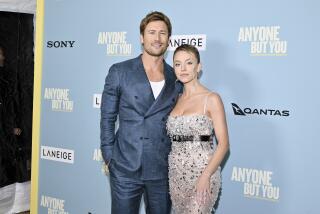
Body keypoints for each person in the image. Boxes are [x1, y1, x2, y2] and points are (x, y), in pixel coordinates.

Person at [100, 11, 181, 214]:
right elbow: (107, 118)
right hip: (125, 166)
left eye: (162, 33)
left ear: (168, 40)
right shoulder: (120, 71)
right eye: (152, 32)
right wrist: (109, 156)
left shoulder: (176, 77)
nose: (157, 38)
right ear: (141, 37)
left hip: (161, 167)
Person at [166, 44, 229, 213]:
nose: (183, 69)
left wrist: (206, 176)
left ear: (198, 67)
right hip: (176, 175)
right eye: (178, 64)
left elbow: (223, 145)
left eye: (189, 63)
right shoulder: (174, 99)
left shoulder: (211, 98)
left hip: (203, 173)